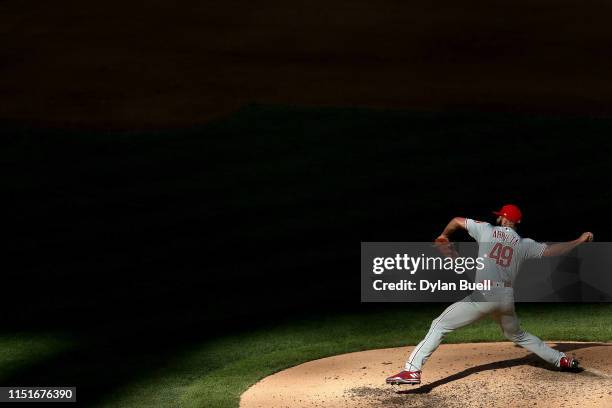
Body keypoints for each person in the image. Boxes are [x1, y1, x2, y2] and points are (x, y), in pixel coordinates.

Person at [386, 204, 594, 385]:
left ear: (504, 218)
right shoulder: (524, 244)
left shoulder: (487, 230)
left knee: (439, 324)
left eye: (500, 215)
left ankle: (412, 370)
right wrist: (578, 240)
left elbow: (456, 221)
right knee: (517, 335)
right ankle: (561, 360)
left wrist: (444, 235)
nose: (498, 217)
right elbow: (553, 251)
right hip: (505, 298)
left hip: (485, 294)